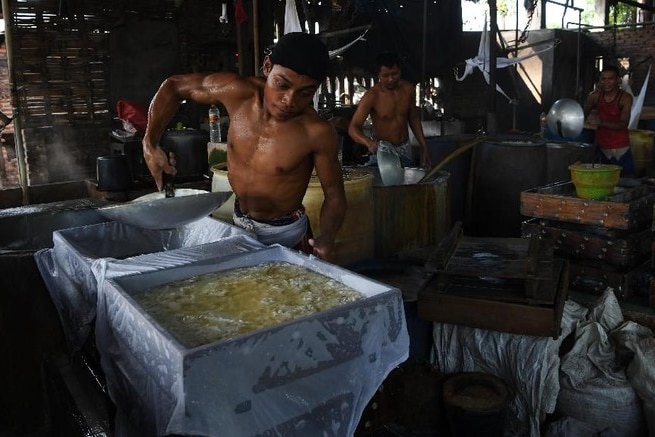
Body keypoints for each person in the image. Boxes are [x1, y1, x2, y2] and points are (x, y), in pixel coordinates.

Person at [142, 32, 347, 261]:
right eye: (282, 85)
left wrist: (327, 236)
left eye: (305, 93)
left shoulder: (316, 132)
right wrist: (149, 142)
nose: (289, 100)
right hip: (239, 223)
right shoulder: (235, 92)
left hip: (286, 234)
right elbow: (174, 86)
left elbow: (334, 194)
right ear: (267, 66)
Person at [348, 52, 431, 168]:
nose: (391, 79)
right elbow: (353, 128)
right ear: (378, 75)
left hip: (405, 148)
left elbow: (414, 119)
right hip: (382, 151)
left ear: (400, 71)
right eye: (385, 75)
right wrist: (368, 143)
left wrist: (424, 146)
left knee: (407, 183)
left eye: (395, 74)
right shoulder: (372, 96)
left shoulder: (408, 89)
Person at [584, 64, 634, 176]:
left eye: (610, 79)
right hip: (601, 147)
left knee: (625, 182)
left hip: (621, 148)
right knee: (600, 183)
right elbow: (582, 116)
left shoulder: (625, 98)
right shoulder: (594, 97)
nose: (606, 82)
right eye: (603, 79)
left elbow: (623, 124)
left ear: (618, 80)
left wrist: (600, 123)